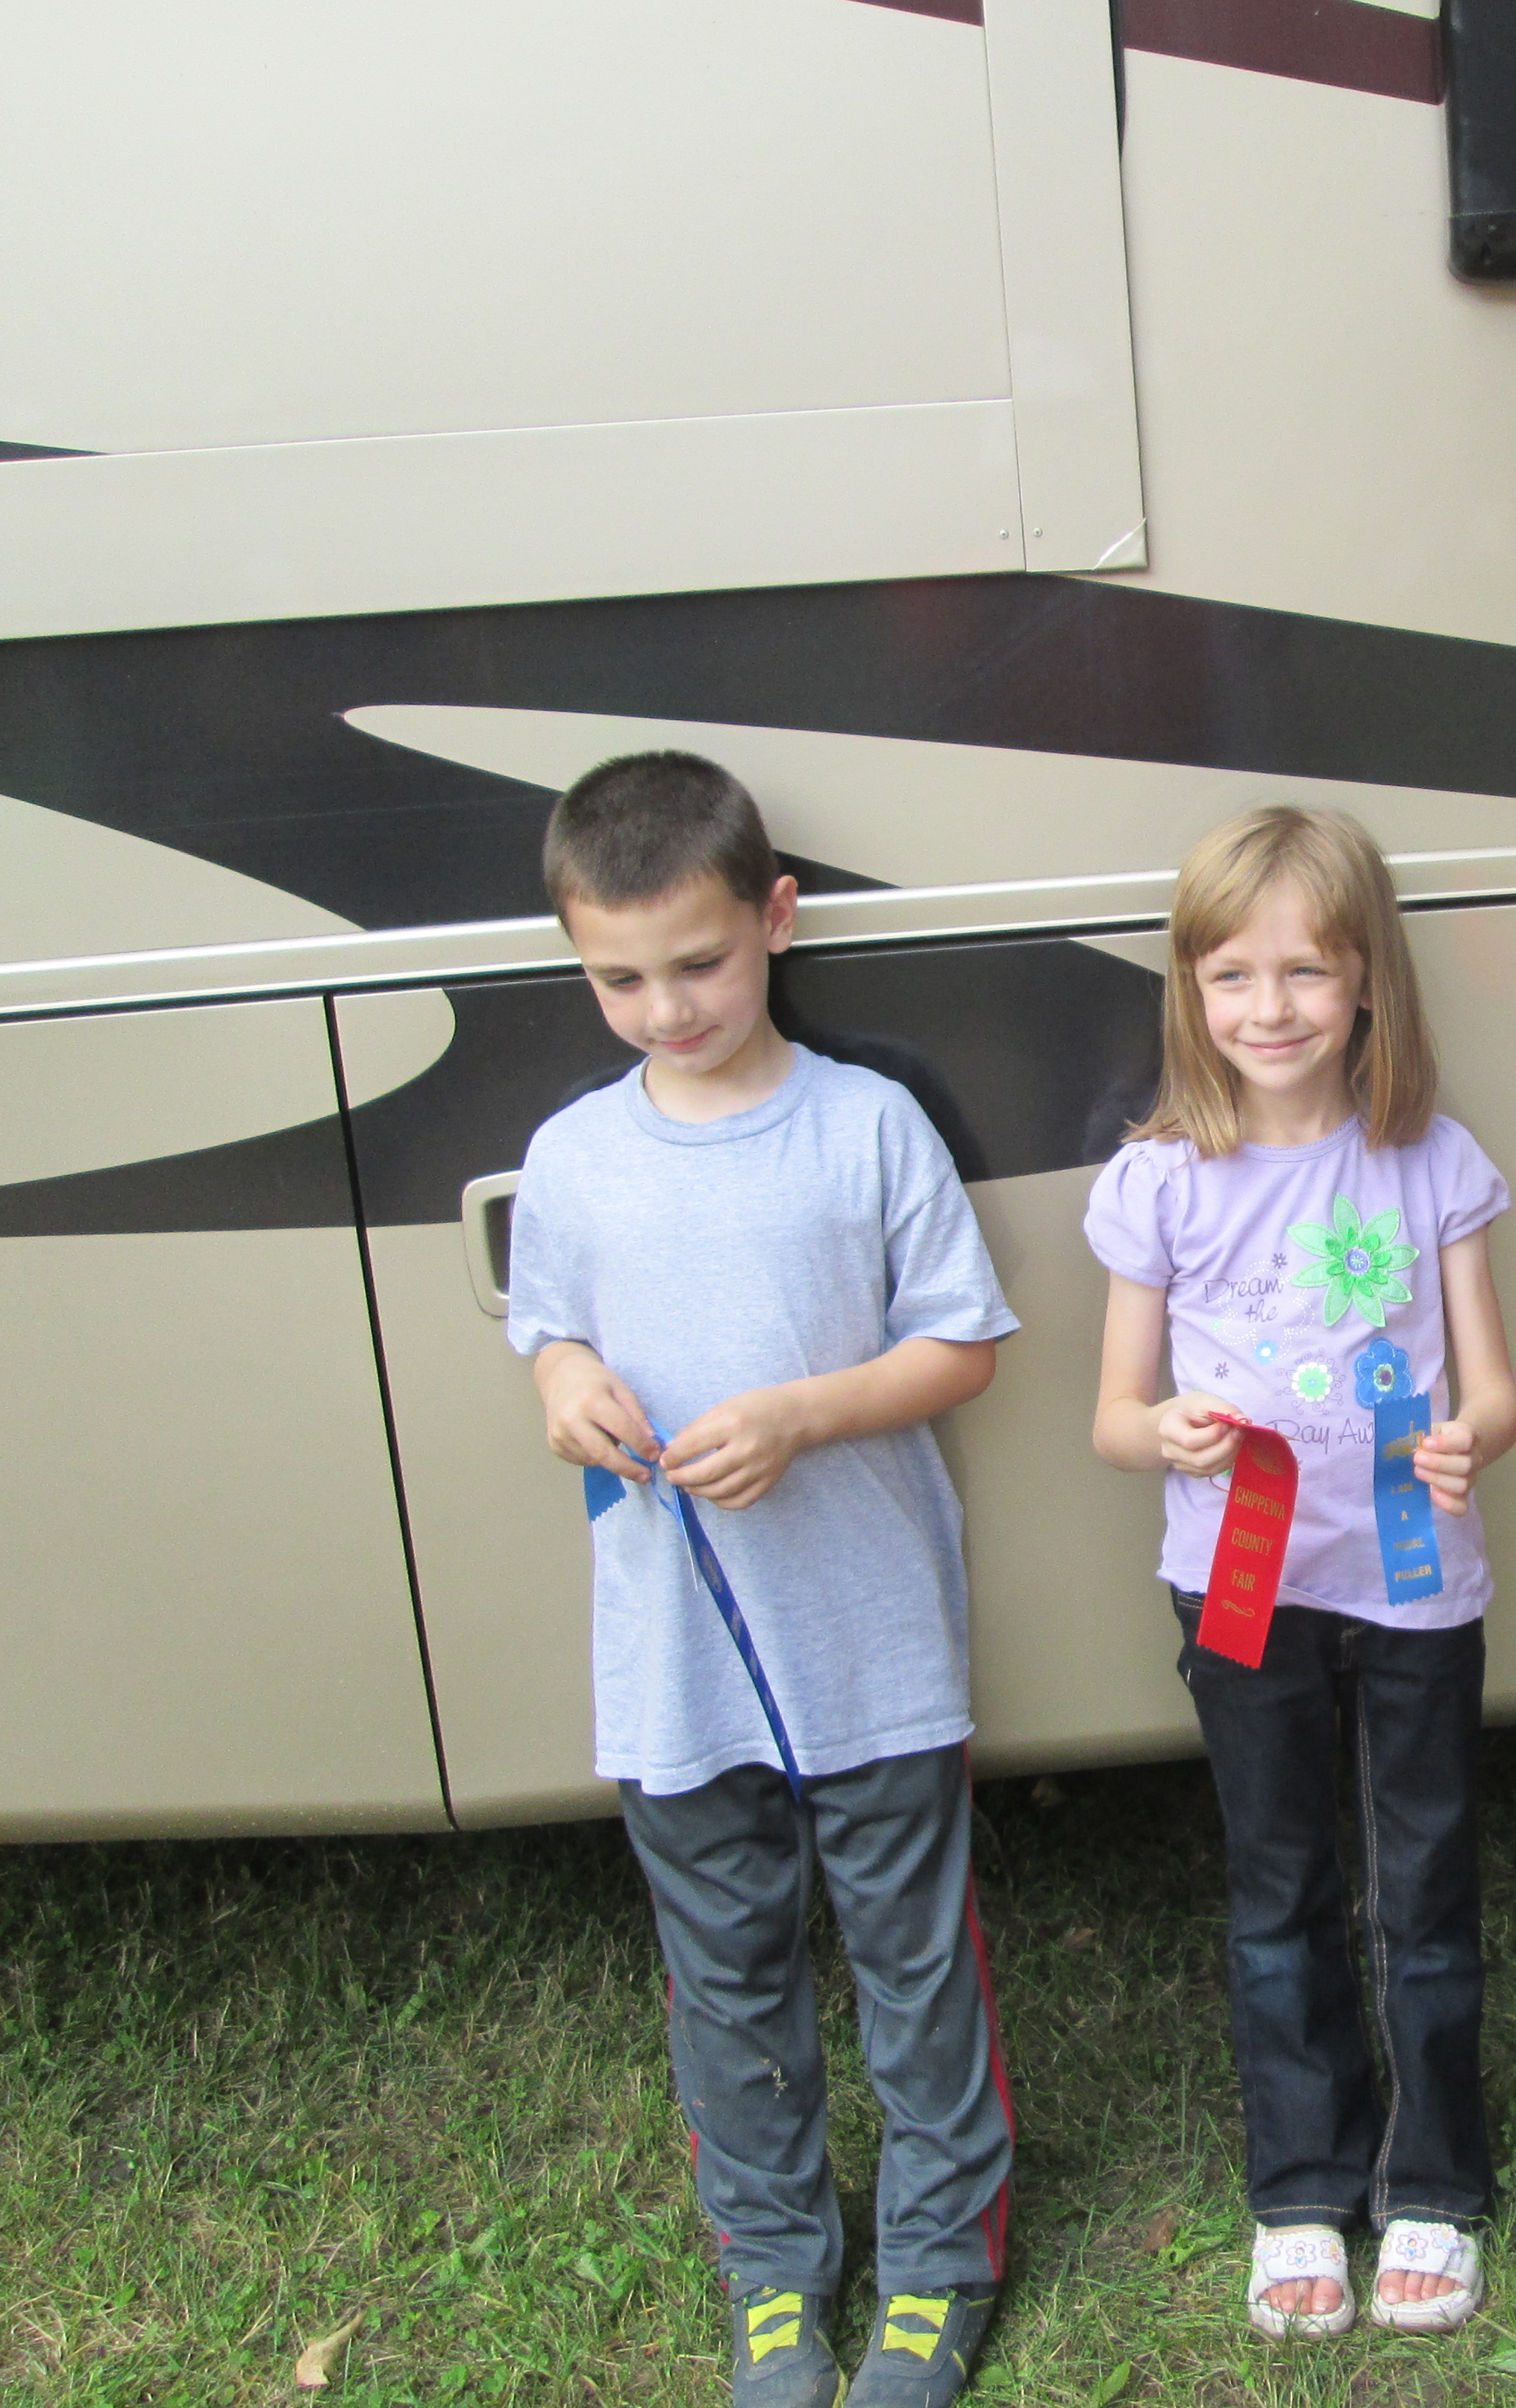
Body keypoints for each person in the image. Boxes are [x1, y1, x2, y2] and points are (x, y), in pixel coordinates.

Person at [505, 751, 1021, 2408]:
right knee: (725, 1976)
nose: (667, 1009)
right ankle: (777, 2270)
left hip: (871, 1647)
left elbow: (961, 1349)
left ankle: (942, 2259)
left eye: (700, 963)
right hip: (678, 1669)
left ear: (778, 920)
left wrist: (803, 1415)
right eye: (620, 981)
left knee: (914, 1963)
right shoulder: (573, 1157)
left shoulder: (867, 1127)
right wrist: (563, 1385)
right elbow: (547, 1334)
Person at [1083, 806, 1516, 2340]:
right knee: (1279, 1890)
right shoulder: (1160, 1183)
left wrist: (1471, 1439)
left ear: (1368, 983)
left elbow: (1496, 1391)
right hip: (1241, 1585)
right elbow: (1112, 1416)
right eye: (1233, 976)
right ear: (1191, 991)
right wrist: (1165, 1433)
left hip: (1413, 1587)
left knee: (1425, 1889)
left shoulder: (1431, 1162)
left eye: (1307, 972)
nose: (1269, 1009)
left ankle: (1435, 2182)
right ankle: (1299, 2189)